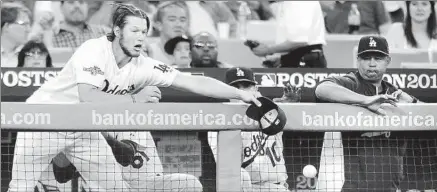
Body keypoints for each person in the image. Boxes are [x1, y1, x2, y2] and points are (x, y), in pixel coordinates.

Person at [8, 3, 261, 192]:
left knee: (114, 188)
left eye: (144, 31)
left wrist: (239, 93)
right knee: (21, 186)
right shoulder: (94, 50)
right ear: (117, 30)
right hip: (44, 120)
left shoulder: (143, 65)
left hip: (84, 129)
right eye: (135, 30)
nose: (141, 36)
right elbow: (88, 96)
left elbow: (193, 81)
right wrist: (134, 101)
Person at [315, 36, 421, 192]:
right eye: (366, 58)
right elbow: (321, 89)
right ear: (357, 60)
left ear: (388, 61)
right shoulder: (351, 83)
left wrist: (412, 103)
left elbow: (431, 116)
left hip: (389, 187)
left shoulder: (394, 92)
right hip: (351, 187)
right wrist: (366, 101)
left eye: (378, 58)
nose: (372, 63)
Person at [208, 67, 300, 192]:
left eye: (246, 86)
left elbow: (289, 121)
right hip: (245, 188)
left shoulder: (271, 111)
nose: (241, 91)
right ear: (226, 92)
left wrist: (287, 106)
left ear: (256, 88)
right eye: (235, 87)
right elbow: (229, 169)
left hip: (277, 187)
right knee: (239, 174)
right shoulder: (218, 122)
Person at [248, 1, 327, 68]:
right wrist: (283, 59)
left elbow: (299, 41)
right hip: (298, 59)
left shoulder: (300, 3)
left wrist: (268, 50)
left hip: (307, 62)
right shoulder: (285, 4)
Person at [323, 1, 392, 35]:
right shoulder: (331, 8)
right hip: (341, 53)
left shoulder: (373, 2)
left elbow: (386, 32)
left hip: (369, 52)